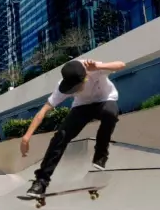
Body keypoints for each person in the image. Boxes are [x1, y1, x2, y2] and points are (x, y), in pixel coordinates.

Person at [21, 58, 127, 197]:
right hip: (81, 107)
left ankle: (101, 154)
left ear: (85, 77)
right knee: (61, 136)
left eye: (76, 88)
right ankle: (41, 181)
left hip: (104, 100)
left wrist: (99, 66)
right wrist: (26, 137)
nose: (74, 91)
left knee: (110, 113)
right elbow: (43, 111)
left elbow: (121, 65)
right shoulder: (63, 86)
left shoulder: (94, 69)